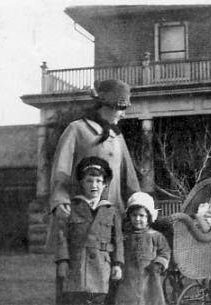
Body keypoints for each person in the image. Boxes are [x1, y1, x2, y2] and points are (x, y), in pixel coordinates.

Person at [50, 79, 141, 304]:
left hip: (111, 221)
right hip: (79, 219)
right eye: (121, 108)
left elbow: (130, 179)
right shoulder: (77, 129)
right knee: (73, 282)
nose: (123, 114)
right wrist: (60, 200)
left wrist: (139, 204)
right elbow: (60, 171)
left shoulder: (117, 136)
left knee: (110, 283)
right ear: (106, 105)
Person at [56, 156, 123, 305]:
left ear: (105, 184)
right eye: (89, 181)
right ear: (81, 182)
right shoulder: (72, 207)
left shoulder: (111, 210)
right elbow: (62, 236)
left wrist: (117, 264)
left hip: (102, 268)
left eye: (99, 181)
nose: (94, 185)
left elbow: (118, 240)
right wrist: (63, 260)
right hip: (77, 267)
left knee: (99, 300)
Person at [115, 192, 171, 305]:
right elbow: (119, 251)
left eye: (142, 215)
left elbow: (165, 252)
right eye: (134, 215)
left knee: (150, 300)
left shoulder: (155, 236)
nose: (137, 219)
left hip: (149, 277)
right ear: (129, 216)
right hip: (128, 278)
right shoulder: (125, 236)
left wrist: (158, 264)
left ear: (149, 217)